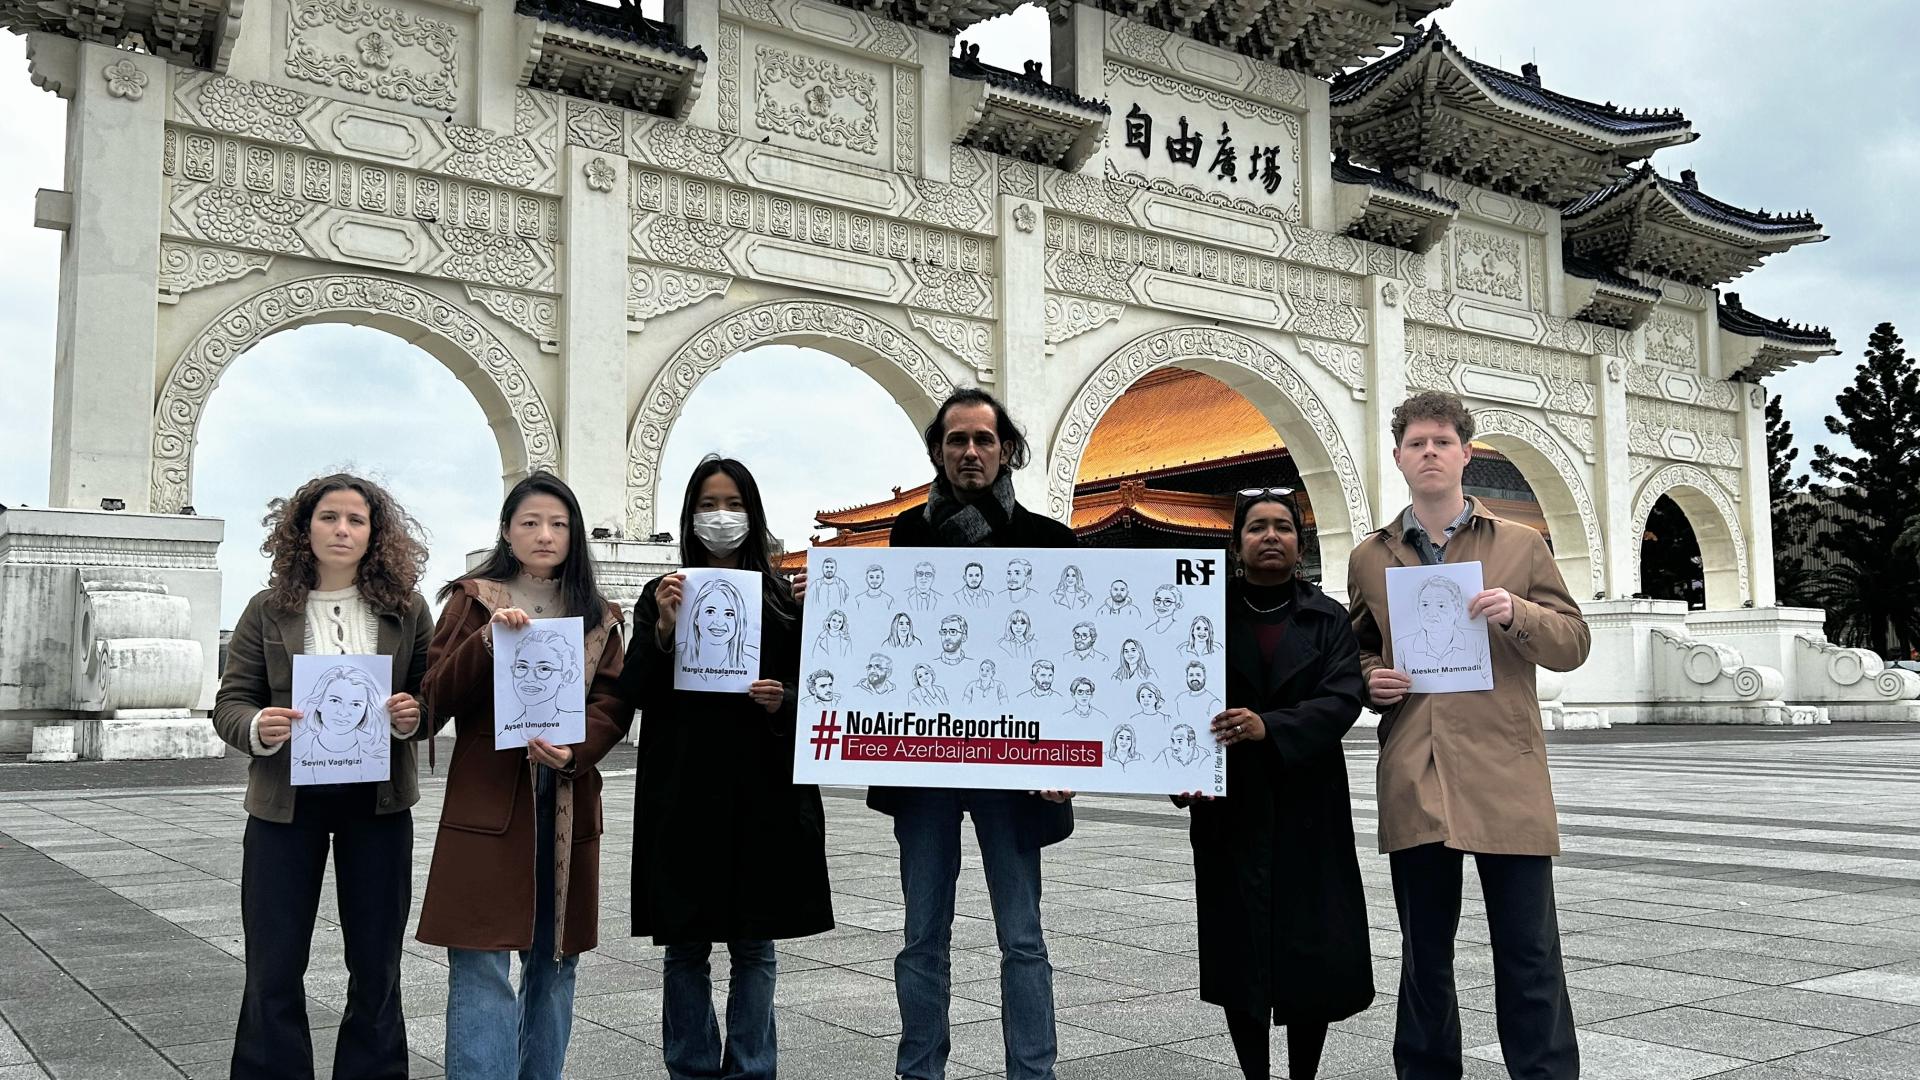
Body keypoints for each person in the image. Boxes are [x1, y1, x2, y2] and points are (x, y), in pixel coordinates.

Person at [1348, 392, 1590, 1080]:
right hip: (1416, 775)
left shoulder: (1520, 545)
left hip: (1504, 772)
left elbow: (1573, 642)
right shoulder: (1370, 558)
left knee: (1530, 952)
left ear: (1466, 453)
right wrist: (1371, 679)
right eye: (1416, 442)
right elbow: (1358, 651)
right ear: (1398, 457)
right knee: (1426, 956)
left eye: (1442, 442)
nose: (1429, 452)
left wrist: (1517, 613)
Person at [879, 387, 1077, 1080]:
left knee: (1022, 937)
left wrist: (1065, 759)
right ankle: (919, 1069)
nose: (969, 452)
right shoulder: (905, 536)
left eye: (983, 440)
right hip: (926, 763)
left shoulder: (1052, 541)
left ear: (1007, 450)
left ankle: (1033, 1071)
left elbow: (1068, 660)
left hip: (1017, 771)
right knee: (920, 938)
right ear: (938, 450)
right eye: (956, 440)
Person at [213, 473, 431, 1080]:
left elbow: (429, 694)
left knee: (377, 962)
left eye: (356, 520)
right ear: (303, 530)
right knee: (274, 964)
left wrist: (414, 716)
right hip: (285, 805)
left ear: (374, 533)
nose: (342, 529)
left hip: (379, 804)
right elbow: (230, 702)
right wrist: (259, 726)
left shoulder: (407, 609)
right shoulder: (267, 609)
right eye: (329, 517)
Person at [623, 455, 834, 1080]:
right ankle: (689, 1067)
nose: (722, 517)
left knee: (755, 943)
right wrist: (663, 628)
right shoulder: (660, 593)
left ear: (754, 512)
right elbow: (635, 687)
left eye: (734, 504)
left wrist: (784, 700)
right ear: (690, 516)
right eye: (709, 505)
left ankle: (751, 1067)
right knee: (684, 946)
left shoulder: (781, 596)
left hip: (761, 787)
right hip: (684, 788)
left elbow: (818, 689)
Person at [416, 471, 628, 1080]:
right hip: (488, 802)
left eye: (558, 524)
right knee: (481, 957)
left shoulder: (599, 615)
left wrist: (577, 750)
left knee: (555, 959)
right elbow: (433, 698)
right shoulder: (474, 598)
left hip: (564, 800)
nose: (544, 535)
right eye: (530, 522)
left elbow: (613, 703)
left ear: (575, 535)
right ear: (507, 531)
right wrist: (484, 641)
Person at [1177, 488, 1372, 1080]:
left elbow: (1342, 699)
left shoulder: (1328, 617)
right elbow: (1171, 699)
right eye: (1256, 528)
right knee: (1240, 951)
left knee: (1308, 949)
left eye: (1283, 527)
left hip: (1307, 803)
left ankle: (1303, 1076)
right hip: (1227, 806)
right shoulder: (1199, 613)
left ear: (1300, 542)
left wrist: (1272, 726)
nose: (1270, 537)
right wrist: (1178, 771)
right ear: (1235, 545)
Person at [288, 664, 392, 785]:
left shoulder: (380, 755)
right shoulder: (296, 754)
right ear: (319, 703)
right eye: (335, 701)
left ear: (366, 710)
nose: (343, 712)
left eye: (355, 704)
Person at [1395, 576, 1491, 673]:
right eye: (1425, 605)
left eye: (1441, 606)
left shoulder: (1479, 643)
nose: (1431, 613)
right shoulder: (1402, 647)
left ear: (1458, 611)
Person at [678, 576, 759, 673]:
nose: (719, 622)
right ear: (696, 617)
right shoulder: (676, 655)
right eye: (710, 612)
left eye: (729, 614)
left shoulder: (752, 663)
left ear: (739, 622)